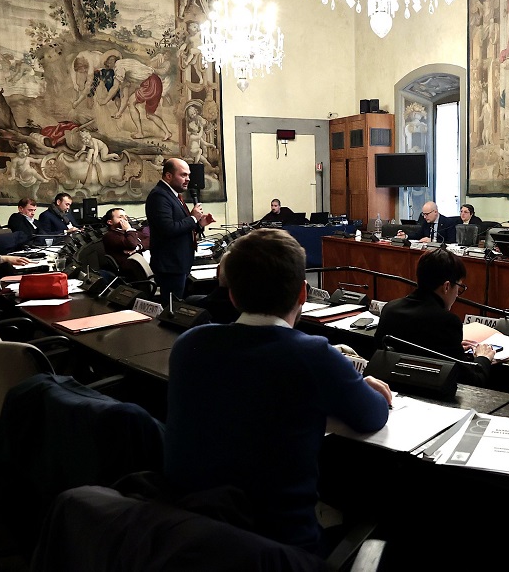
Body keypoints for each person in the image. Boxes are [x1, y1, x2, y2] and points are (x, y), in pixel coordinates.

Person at [165, 228, 391, 552]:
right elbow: (373, 415)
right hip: (284, 551)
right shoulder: (313, 355)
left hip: (190, 542)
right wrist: (359, 383)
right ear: (303, 293)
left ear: (232, 295)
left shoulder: (189, 345)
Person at [374, 247, 497, 385]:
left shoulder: (390, 309)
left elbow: (418, 346)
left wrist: (452, 347)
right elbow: (472, 380)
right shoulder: (447, 322)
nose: (457, 293)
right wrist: (483, 358)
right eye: (459, 287)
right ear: (446, 286)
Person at [146, 158, 214, 302]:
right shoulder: (159, 196)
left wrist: (199, 223)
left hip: (179, 262)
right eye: (183, 175)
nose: (188, 179)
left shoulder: (174, 195)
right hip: (170, 265)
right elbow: (168, 229)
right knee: (172, 308)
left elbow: (180, 226)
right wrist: (193, 218)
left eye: (188, 175)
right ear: (168, 176)